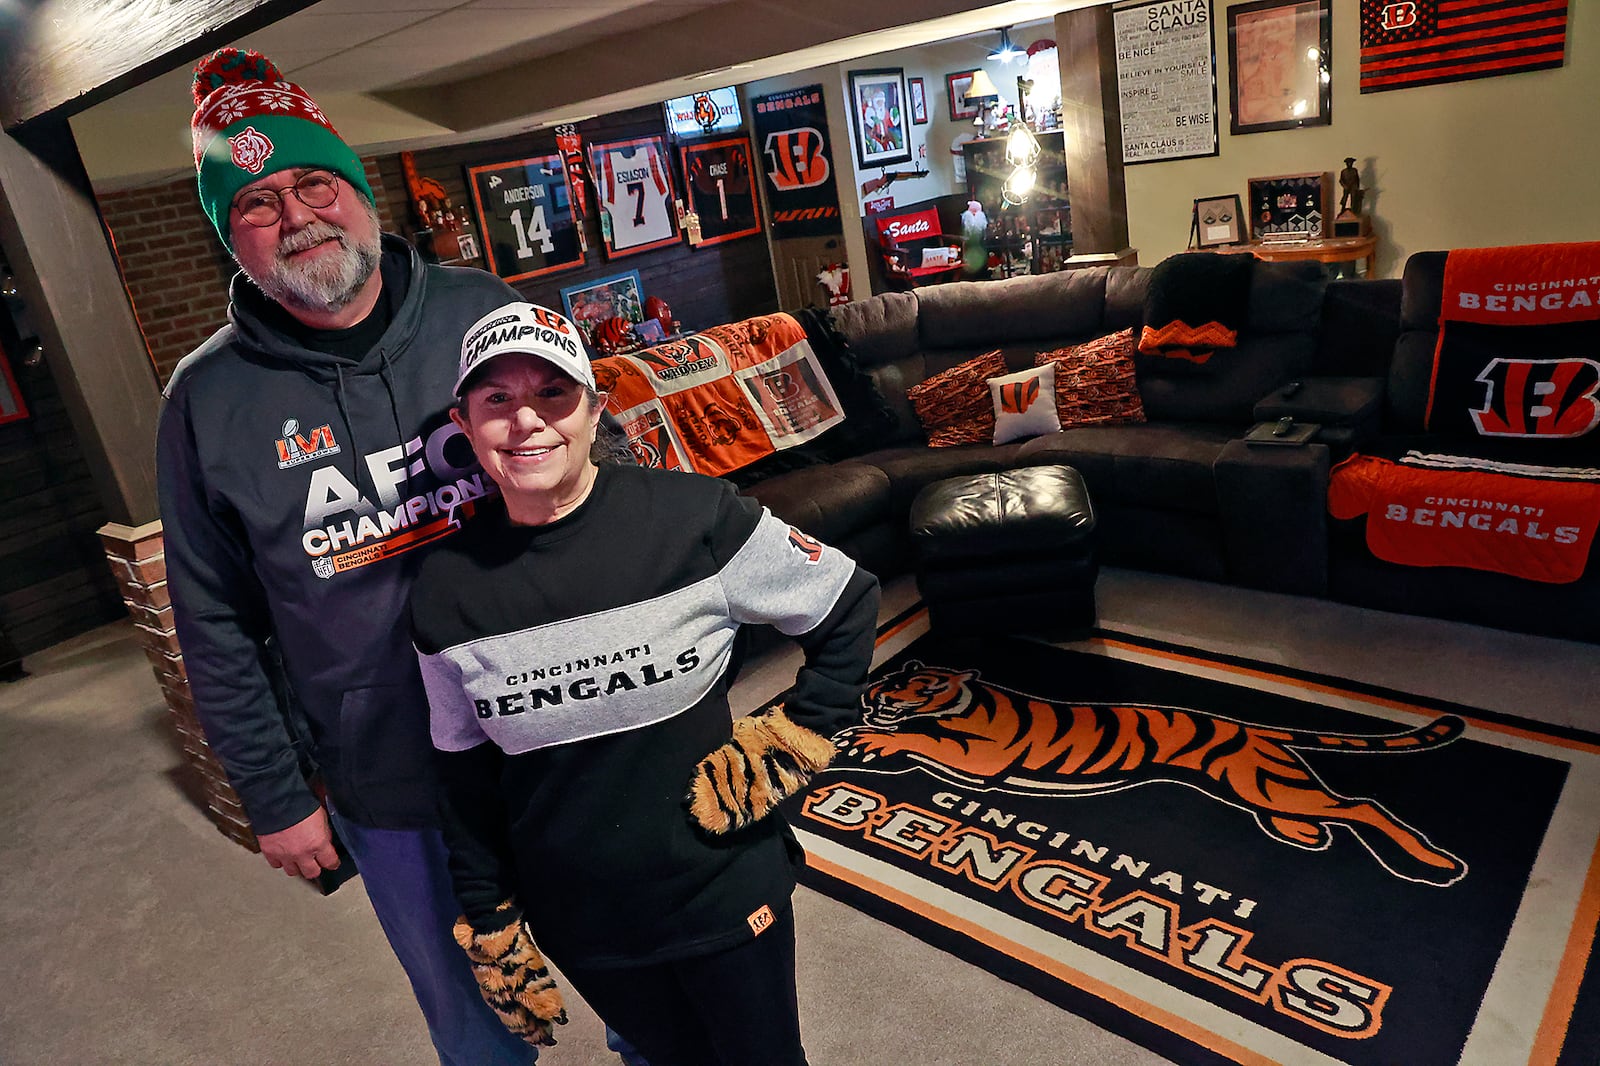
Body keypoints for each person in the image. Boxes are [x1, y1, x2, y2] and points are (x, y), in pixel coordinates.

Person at [157, 48, 643, 1066]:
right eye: (254, 203)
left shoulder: (483, 313)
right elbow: (210, 617)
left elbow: (616, 483)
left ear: (358, 190)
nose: (296, 217)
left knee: (643, 975)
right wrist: (276, 796)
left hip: (559, 732)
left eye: (313, 182)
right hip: (389, 777)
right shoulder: (204, 402)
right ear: (227, 237)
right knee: (475, 1021)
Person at [410, 301, 881, 1066]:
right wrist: (489, 916)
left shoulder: (693, 517)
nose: (527, 420)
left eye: (553, 394)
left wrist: (794, 736)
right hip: (581, 918)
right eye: (498, 400)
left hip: (721, 888)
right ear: (466, 426)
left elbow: (848, 599)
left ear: (595, 410)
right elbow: (462, 770)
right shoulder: (443, 589)